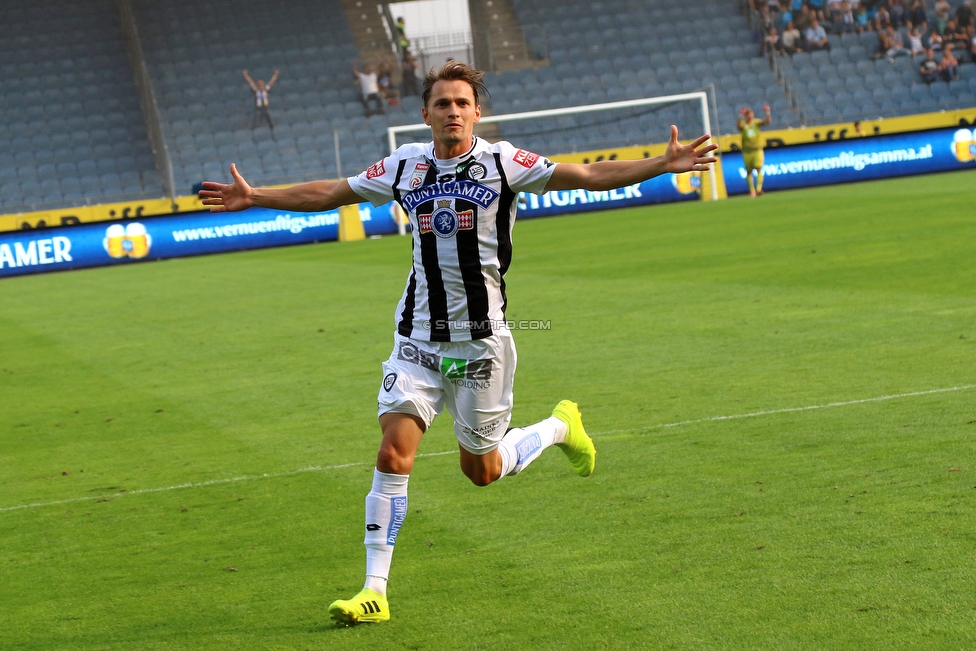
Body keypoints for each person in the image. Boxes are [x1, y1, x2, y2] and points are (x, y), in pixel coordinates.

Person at [198, 61, 718, 627]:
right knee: (392, 454)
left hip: (480, 348)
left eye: (461, 103)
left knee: (483, 471)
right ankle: (374, 591)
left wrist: (662, 165)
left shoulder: (503, 163)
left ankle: (559, 427)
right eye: (442, 103)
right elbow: (333, 191)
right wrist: (259, 197)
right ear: (425, 115)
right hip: (415, 342)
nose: (452, 112)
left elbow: (585, 174)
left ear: (477, 112)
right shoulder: (405, 166)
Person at [737, 104, 771, 198]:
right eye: (749, 115)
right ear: (745, 116)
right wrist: (740, 116)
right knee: (749, 171)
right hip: (747, 151)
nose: (751, 117)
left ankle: (759, 189)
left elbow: (767, 122)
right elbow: (739, 126)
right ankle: (752, 191)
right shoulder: (744, 124)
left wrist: (767, 112)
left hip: (757, 150)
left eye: (752, 115)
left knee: (759, 168)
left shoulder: (756, 122)